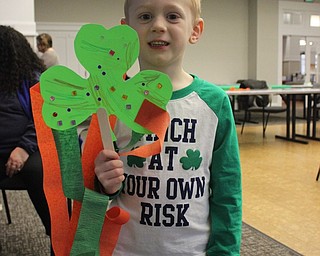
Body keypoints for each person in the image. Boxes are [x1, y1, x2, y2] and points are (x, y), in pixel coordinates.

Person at [94, 0, 242, 255]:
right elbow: (93, 189)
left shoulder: (214, 103)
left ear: (195, 30)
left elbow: (227, 190)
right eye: (145, 16)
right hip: (125, 248)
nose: (158, 26)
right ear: (125, 31)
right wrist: (104, 184)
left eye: (173, 16)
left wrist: (225, 251)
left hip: (192, 250)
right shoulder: (110, 102)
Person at [0, 25, 52, 254]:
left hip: (28, 150)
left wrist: (23, 148)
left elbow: (42, 118)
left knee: (38, 171)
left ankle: (57, 236)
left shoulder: (31, 79)